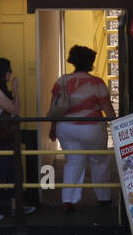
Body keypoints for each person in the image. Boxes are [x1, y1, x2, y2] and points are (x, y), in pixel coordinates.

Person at [49, 44, 117, 213]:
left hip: (65, 128)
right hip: (92, 128)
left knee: (73, 161)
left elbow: (54, 107)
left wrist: (52, 127)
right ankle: (103, 198)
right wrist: (116, 126)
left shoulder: (61, 81)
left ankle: (69, 200)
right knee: (99, 161)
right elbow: (108, 110)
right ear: (90, 62)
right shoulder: (97, 83)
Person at [0, 58, 36, 222]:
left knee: (13, 170)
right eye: (9, 71)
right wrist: (16, 90)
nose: (11, 73)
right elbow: (16, 110)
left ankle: (15, 205)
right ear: (2, 73)